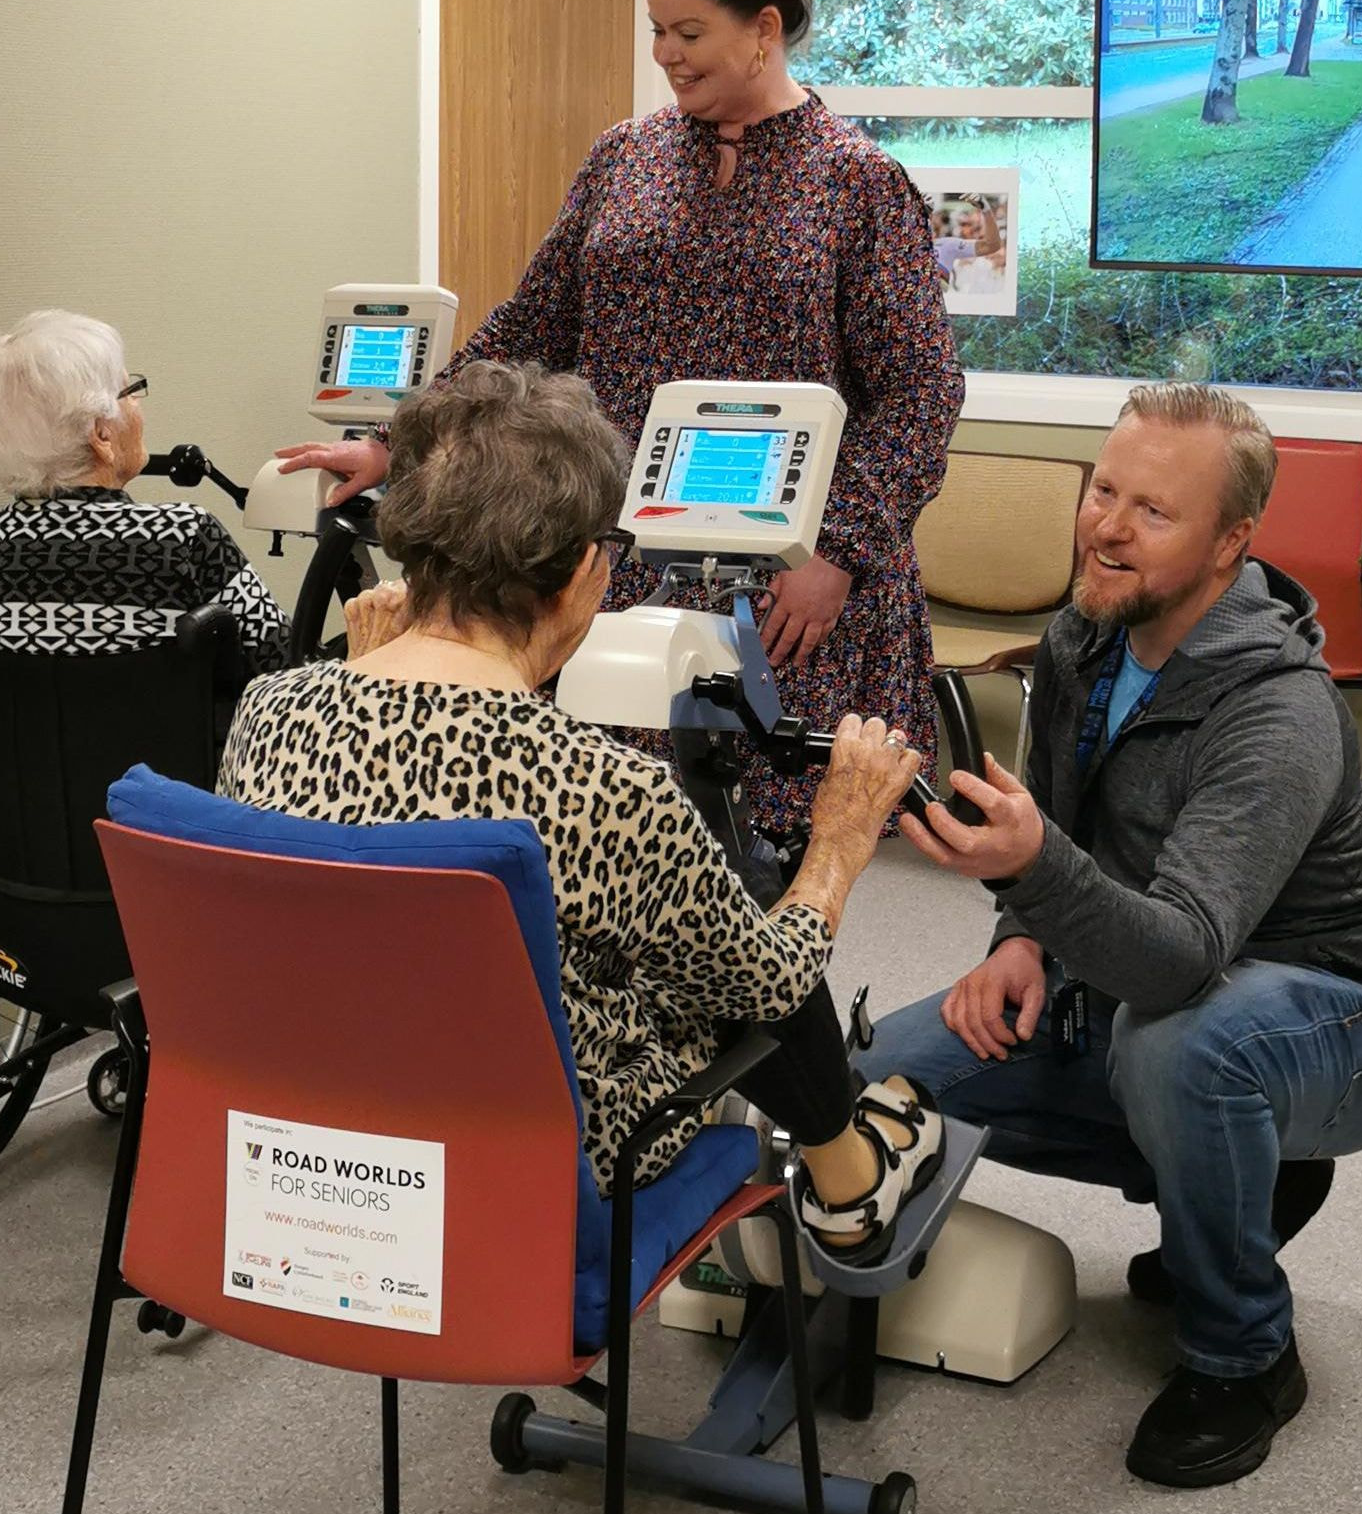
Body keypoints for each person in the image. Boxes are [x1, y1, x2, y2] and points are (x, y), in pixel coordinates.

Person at [277, 0, 963, 835]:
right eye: (657, 30)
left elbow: (922, 392)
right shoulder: (624, 157)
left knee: (766, 855)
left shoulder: (857, 181)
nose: (665, 55)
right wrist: (399, 441)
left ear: (763, 27)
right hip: (625, 565)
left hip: (794, 577)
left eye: (689, 33)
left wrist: (841, 551)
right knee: (607, 833)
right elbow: (529, 328)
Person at [860, 382, 1362, 1488]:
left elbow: (1180, 951)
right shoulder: (1087, 634)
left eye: (1153, 512)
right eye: (1106, 491)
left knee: (1186, 1051)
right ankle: (1237, 1177)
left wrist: (1037, 869)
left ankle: (1244, 1355)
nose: (1108, 526)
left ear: (1232, 540)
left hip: (1351, 1008)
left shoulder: (1277, 708)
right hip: (1146, 981)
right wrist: (1019, 937)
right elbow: (1063, 831)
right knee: (882, 1079)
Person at [221, 361, 944, 1254]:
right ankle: (853, 1179)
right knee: (744, 904)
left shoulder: (270, 710)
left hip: (321, 1152)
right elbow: (771, 982)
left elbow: (378, 834)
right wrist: (836, 840)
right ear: (574, 579)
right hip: (545, 1172)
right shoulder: (610, 789)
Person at [0, 309, 288, 707]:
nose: (139, 408)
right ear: (102, 433)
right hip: (169, 771)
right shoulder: (183, 537)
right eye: (130, 392)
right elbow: (281, 670)